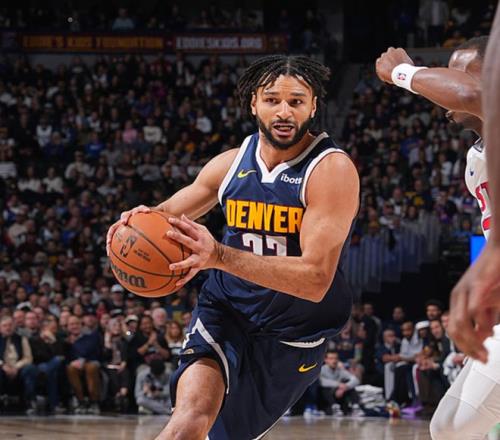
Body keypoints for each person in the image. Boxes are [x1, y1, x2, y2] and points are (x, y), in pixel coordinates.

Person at [108, 55, 359, 440]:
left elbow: (315, 280)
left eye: (296, 101)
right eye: (272, 100)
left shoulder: (330, 170)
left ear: (313, 107)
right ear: (253, 103)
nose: (284, 111)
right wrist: (134, 224)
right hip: (226, 311)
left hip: (291, 335)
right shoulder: (230, 164)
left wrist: (219, 256)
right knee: (188, 423)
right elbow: (164, 217)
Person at [376, 36, 500, 439]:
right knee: (447, 426)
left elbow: (471, 93)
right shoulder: (476, 157)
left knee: (454, 429)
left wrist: (402, 72)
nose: (447, 81)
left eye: (458, 72)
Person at [65, 315, 102, 415]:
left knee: (91, 368)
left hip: (90, 361)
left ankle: (94, 401)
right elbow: (66, 356)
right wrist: (73, 361)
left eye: (77, 324)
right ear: (67, 327)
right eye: (71, 324)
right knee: (70, 368)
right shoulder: (66, 340)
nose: (74, 326)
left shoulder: (91, 336)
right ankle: (80, 401)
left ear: (81, 325)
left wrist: (82, 359)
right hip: (75, 364)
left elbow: (90, 351)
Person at [0, 316, 37, 414]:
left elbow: (28, 358)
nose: (8, 328)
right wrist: (3, 365)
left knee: (30, 369)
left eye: (10, 325)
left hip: (19, 369)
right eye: (4, 326)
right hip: (2, 368)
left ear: (14, 326)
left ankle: (29, 402)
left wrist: (16, 367)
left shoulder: (21, 339)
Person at [319, 350, 361, 416]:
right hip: (326, 400)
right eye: (331, 358)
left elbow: (355, 380)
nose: (334, 361)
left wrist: (345, 387)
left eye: (336, 358)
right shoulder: (321, 370)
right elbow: (321, 382)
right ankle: (334, 408)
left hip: (339, 396)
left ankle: (355, 407)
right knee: (324, 389)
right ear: (325, 360)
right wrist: (338, 384)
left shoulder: (340, 370)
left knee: (349, 386)